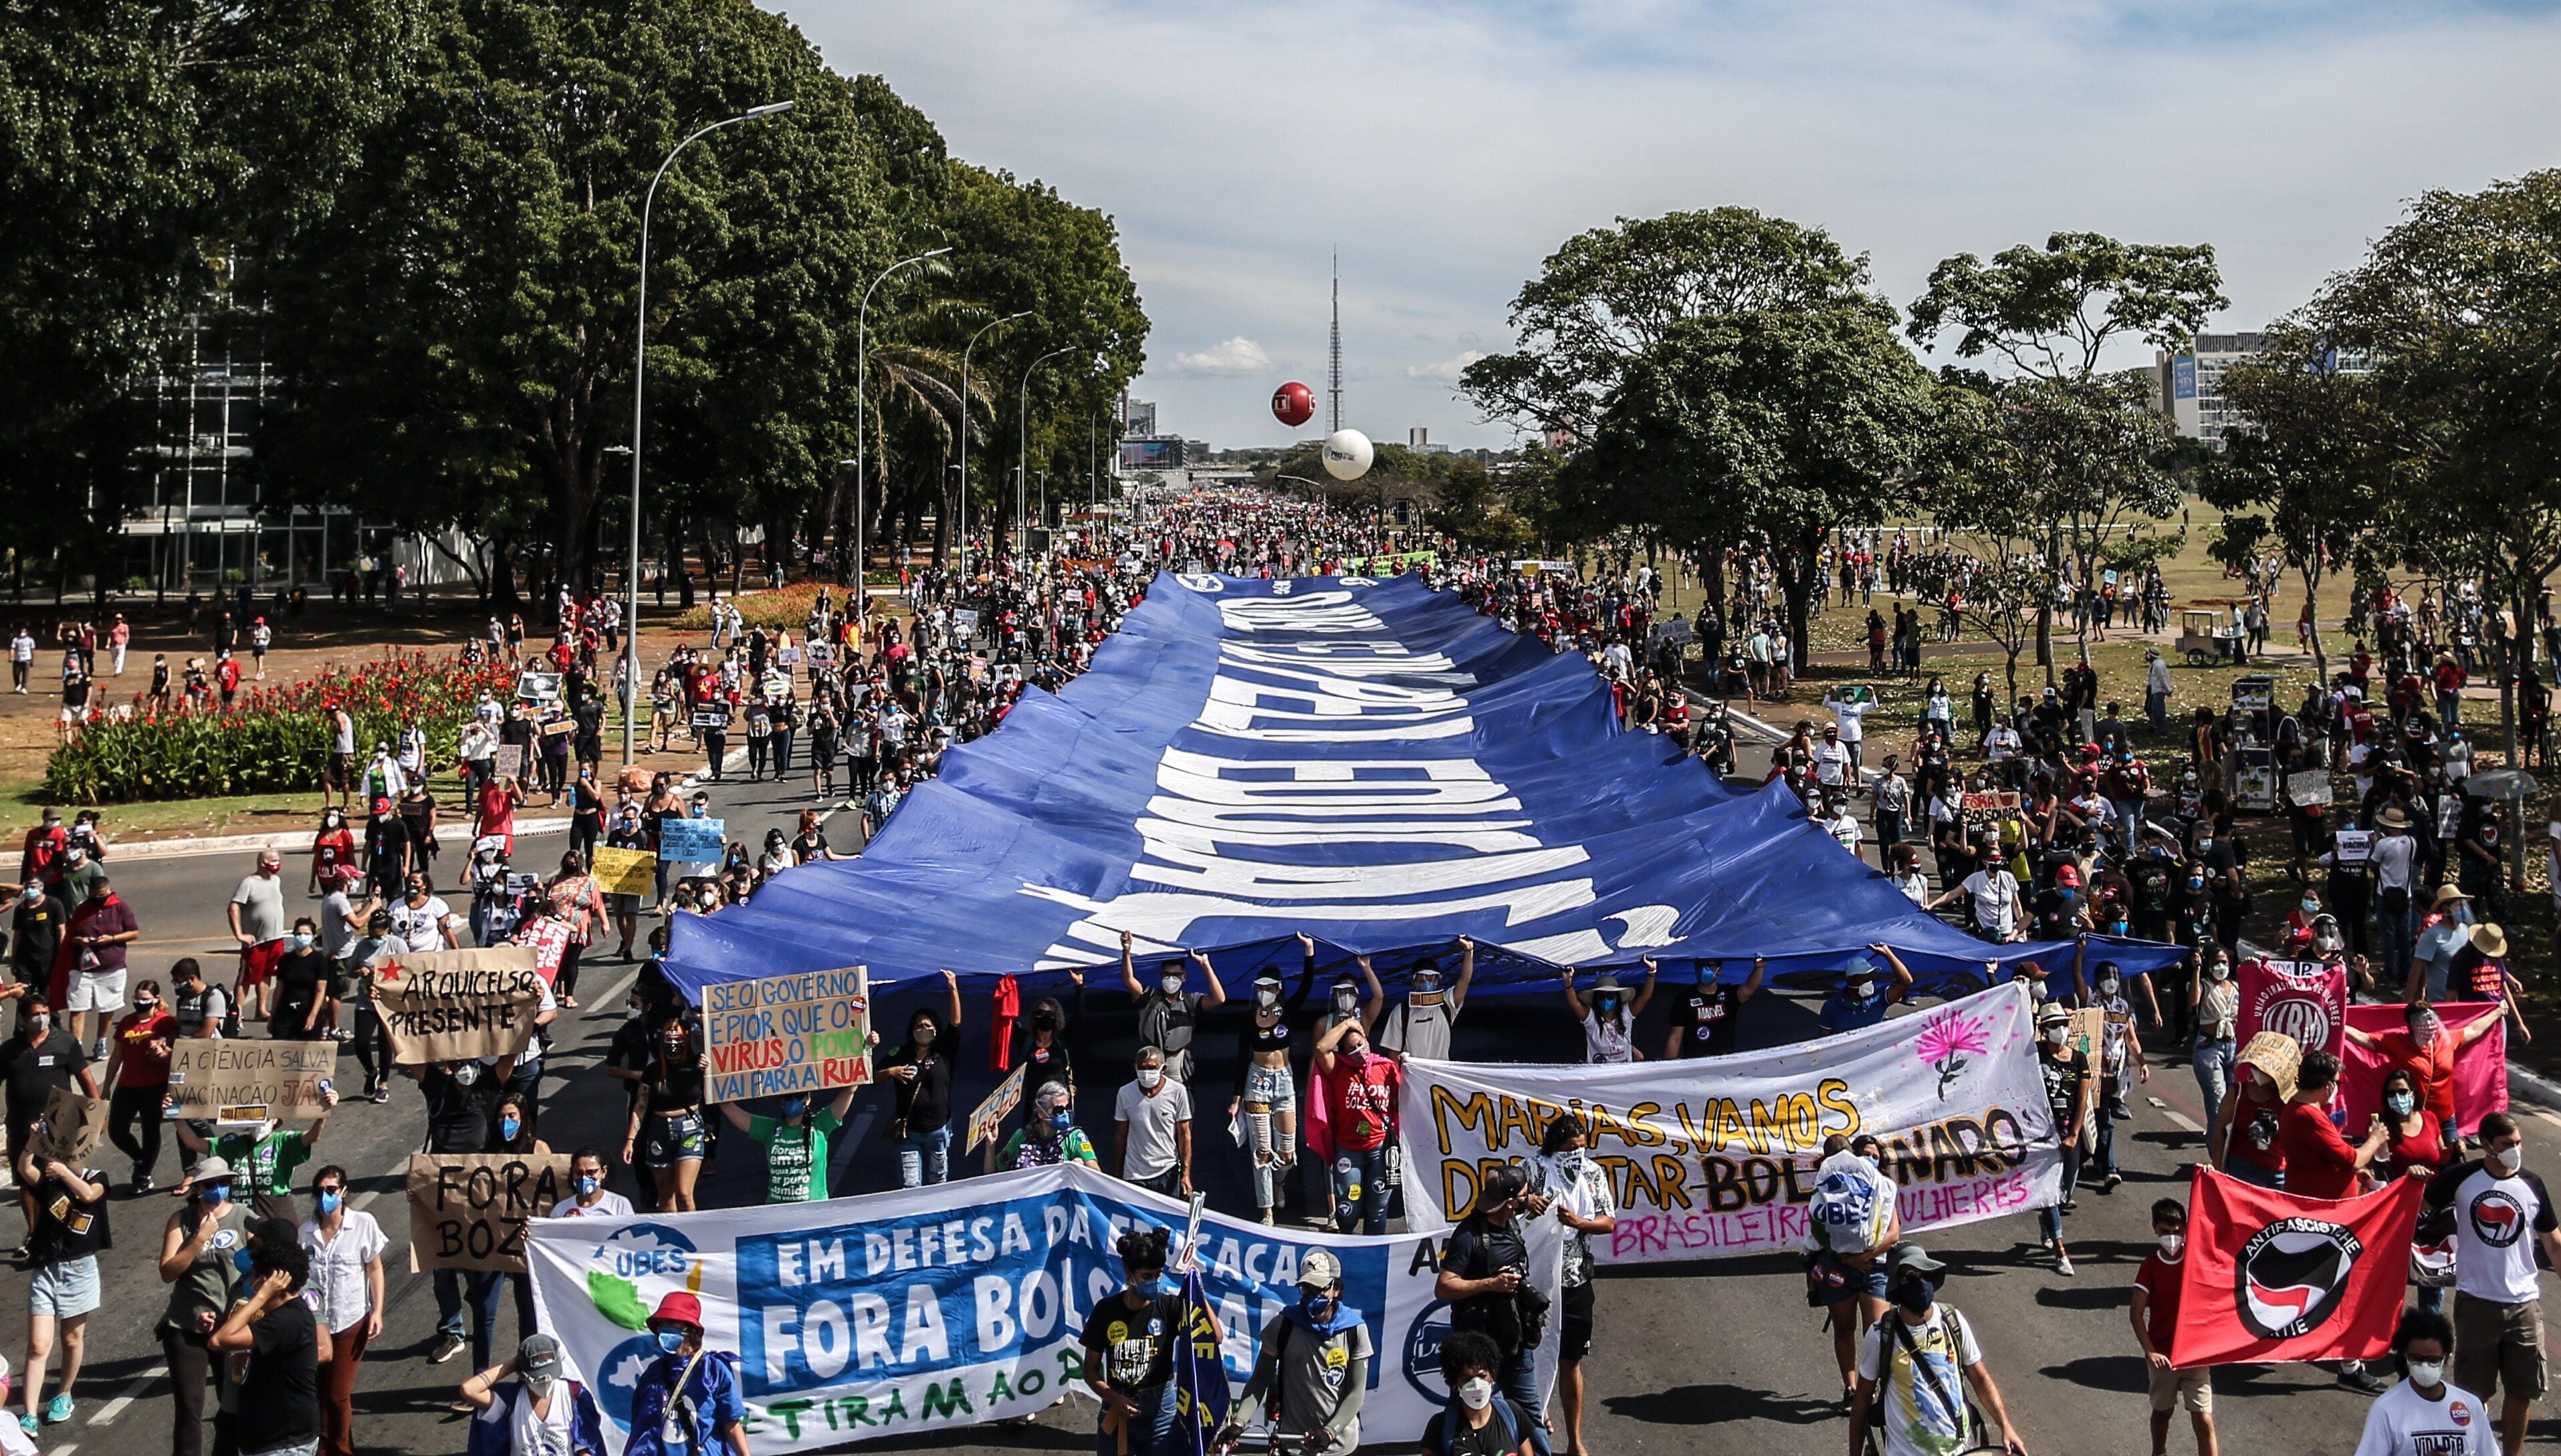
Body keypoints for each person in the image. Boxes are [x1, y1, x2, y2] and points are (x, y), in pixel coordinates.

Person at [2422, 1112, 2561, 1456]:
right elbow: (2412, 1208)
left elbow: (2553, 1243)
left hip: (2525, 1306)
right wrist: (2411, 1179)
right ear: (2486, 1145)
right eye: (2507, 1145)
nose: (2516, 1150)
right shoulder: (2461, 1179)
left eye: (2518, 1143)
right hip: (2477, 1303)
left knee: (2523, 1390)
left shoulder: (2532, 1184)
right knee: (2471, 1395)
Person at [1848, 1243, 2029, 1456]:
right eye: (1910, 1277)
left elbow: (1980, 1379)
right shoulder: (1880, 1336)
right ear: (1897, 1287)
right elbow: (1862, 1400)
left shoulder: (1953, 1321)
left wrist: (2006, 1426)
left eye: (1924, 1274)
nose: (1920, 1283)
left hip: (1960, 1450)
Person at [1436, 1165, 1549, 1456]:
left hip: (1514, 1337)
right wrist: (1491, 1284)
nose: (1529, 1197)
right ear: (1510, 1202)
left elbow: (1528, 1206)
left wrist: (1535, 1203)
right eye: (1525, 1194)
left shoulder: (1510, 1218)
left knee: (1529, 1413)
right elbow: (1444, 1287)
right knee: (1463, 1413)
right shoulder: (1468, 1236)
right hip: (1478, 1348)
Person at [1526, 1114, 1618, 1456]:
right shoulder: (1534, 1169)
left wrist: (1581, 1223)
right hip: (1536, 1281)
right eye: (1570, 1148)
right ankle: (1535, 1420)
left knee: (1570, 1360)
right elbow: (1505, 1200)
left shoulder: (1593, 1174)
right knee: (1532, 1354)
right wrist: (1526, 1203)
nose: (1577, 1154)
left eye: (1582, 1147)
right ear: (1555, 1146)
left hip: (1576, 1281)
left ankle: (1575, 1440)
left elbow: (1608, 1222)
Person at [1219, 1249, 1369, 1456]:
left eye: (1320, 1289)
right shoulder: (1283, 1326)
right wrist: (1239, 1422)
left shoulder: (1354, 1330)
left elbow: (1356, 1392)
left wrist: (1329, 1432)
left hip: (1340, 1446)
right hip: (1293, 1444)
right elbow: (1260, 1379)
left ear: (1336, 1290)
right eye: (1307, 1289)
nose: (1313, 1296)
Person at [158, 1155, 249, 1456]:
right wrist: (199, 1240)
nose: (219, 1189)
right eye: (211, 1184)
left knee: (233, 1407)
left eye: (224, 1183)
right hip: (186, 1326)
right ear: (198, 1189)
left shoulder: (243, 1218)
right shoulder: (180, 1221)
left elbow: (262, 1272)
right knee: (189, 1409)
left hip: (232, 1329)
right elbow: (168, 1272)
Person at [209, 1236, 328, 1456]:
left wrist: (261, 1296)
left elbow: (219, 1341)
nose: (248, 1280)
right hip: (268, 1439)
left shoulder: (286, 1320)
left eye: (252, 1275)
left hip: (282, 1444)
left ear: (266, 1281)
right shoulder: (283, 1315)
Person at [1803, 1135, 1900, 1403]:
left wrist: (1865, 1256)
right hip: (1838, 1270)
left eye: (1876, 1156)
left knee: (1878, 1333)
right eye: (1866, 1154)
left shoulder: (1883, 1186)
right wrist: (1843, 1257)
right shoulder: (1826, 1184)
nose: (1871, 1159)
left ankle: (1877, 1391)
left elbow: (1893, 1234)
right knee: (1844, 1329)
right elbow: (1816, 1227)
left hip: (1874, 1269)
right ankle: (1852, 1389)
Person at [1081, 1226, 1194, 1456]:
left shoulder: (1169, 1307)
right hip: (1117, 1412)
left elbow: (1216, 1337)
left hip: (1163, 1414)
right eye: (1146, 1277)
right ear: (1128, 1272)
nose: (1154, 1282)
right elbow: (1090, 1370)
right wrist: (1113, 1398)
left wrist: (1196, 1288)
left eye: (1158, 1275)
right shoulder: (1106, 1310)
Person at [15, 1145, 104, 1435]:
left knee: (71, 1339)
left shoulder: (98, 1177)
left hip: (80, 1270)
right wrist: (32, 1141)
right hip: (47, 1269)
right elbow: (26, 1171)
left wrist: (65, 1173)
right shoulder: (50, 1183)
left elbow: (90, 1195)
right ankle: (28, 1414)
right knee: (39, 1346)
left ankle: (63, 1394)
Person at [298, 1165, 384, 1456]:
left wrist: (377, 1311)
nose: (326, 1196)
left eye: (331, 1190)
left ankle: (341, 1450)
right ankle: (325, 1449)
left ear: (344, 1191)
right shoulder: (305, 1233)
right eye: (320, 1191)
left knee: (337, 1396)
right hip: (316, 1326)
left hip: (351, 1322)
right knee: (319, 1395)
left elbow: (373, 1268)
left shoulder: (363, 1224)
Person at [1, 996, 96, 1254]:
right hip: (21, 1128)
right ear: (22, 1018)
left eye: (45, 1012)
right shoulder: (9, 1050)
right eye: (35, 1014)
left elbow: (86, 1079)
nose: (41, 1018)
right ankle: (35, 1235)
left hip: (60, 1127)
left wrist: (97, 1116)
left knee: (60, 1179)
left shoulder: (65, 1043)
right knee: (27, 1182)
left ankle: (64, 1231)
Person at [2349, 999, 2494, 1158]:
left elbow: (2474, 1030)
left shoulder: (2447, 1040)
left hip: (2445, 1120)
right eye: (2421, 1020)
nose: (2428, 1024)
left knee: (2454, 1161)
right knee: (2417, 1162)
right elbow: (2363, 1038)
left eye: (2431, 1018)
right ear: (2411, 1025)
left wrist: (2498, 1011)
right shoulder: (2397, 1043)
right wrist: (2336, 1023)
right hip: (2413, 1122)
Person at [2130, 1197, 2216, 1456]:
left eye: (2177, 1231)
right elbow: (2136, 1313)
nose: (2172, 1237)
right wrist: (2150, 1351)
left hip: (2195, 1354)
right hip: (2163, 1356)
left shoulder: (2195, 1259)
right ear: (2155, 1229)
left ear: (2186, 1228)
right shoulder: (2150, 1266)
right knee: (2163, 1412)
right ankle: (2159, 1452)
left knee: (2204, 1421)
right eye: (2165, 1232)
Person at [623, 1291, 746, 1456]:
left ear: (690, 1330)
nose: (665, 1329)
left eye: (672, 1322)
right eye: (662, 1323)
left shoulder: (713, 1370)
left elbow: (731, 1424)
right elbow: (642, 1432)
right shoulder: (652, 1375)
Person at [1313, 1014, 1404, 1235]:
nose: (1358, 1050)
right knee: (1348, 1210)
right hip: (1348, 1151)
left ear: (1367, 1040)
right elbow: (1321, 1049)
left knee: (1377, 1210)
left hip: (1380, 1149)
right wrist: (1348, 1024)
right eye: (1352, 1048)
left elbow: (1401, 1101)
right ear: (1344, 1053)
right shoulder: (1338, 1068)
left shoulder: (1386, 1067)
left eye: (1360, 1044)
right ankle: (1348, 1249)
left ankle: (1373, 1257)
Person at [2354, 1308, 2491, 1455]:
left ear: (2447, 1358)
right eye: (2417, 1359)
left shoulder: (2471, 1405)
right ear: (2405, 1357)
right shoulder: (2386, 1410)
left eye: (2433, 1360)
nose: (2425, 1366)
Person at [879, 971, 962, 1188]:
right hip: (909, 1133)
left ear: (935, 1029)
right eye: (918, 1026)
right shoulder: (900, 1053)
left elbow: (955, 1023)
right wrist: (891, 1072)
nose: (922, 1029)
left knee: (938, 1182)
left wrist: (953, 988)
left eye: (927, 1026)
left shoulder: (944, 1050)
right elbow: (871, 1077)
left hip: (938, 1130)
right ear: (911, 1030)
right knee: (910, 1185)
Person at [460, 1332, 604, 1456]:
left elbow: (586, 1444)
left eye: (548, 1377)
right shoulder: (510, 1401)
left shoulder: (573, 1395)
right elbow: (469, 1390)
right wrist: (511, 1365)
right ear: (522, 1375)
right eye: (537, 1379)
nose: (544, 1384)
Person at [717, 1081, 858, 1204]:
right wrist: (709, 1072)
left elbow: (850, 1090)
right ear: (781, 1101)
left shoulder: (821, 1124)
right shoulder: (768, 1129)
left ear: (808, 1099)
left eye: (799, 1096)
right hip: (777, 1212)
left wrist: (863, 1055)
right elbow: (728, 1108)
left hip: (815, 1212)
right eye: (788, 1097)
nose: (793, 1101)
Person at [623, 1011, 707, 1212]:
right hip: (659, 1132)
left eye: (678, 1039)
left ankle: (694, 1235)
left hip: (690, 1130)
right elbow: (640, 1106)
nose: (673, 1044)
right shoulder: (653, 1071)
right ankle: (672, 1237)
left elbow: (720, 1050)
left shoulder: (698, 1065)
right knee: (666, 1194)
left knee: (684, 1193)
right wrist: (630, 1140)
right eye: (668, 1039)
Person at [1120, 931, 1226, 1084]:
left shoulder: (1191, 1000)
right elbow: (1129, 980)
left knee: (1183, 1103)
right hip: (1151, 1063)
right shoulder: (1150, 997)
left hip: (1179, 1064)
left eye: (1176, 975)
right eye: (1167, 974)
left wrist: (1205, 966)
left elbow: (1219, 999)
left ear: (1184, 977)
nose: (1171, 979)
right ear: (1161, 976)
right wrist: (1126, 951)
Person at [103, 977, 175, 1193]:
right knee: (116, 1131)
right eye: (137, 999)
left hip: (155, 1085)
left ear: (156, 1000)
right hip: (127, 1085)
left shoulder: (166, 1022)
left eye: (145, 999)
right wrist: (106, 1086)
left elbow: (176, 1053)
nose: (140, 1002)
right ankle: (141, 1158)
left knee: (150, 1130)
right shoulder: (126, 1022)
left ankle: (144, 1173)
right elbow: (117, 1056)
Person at [2033, 1001, 2088, 1275]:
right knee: (2050, 1192)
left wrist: (2075, 1134)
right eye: (2053, 1026)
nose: (2060, 1030)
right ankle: (2060, 1251)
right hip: (2042, 1132)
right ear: (2043, 1030)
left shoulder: (2079, 1059)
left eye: (2063, 1025)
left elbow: (2082, 1098)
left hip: (2070, 1132)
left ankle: (2047, 1219)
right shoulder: (2035, 1055)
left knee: (2066, 1190)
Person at [1420, 1330, 1538, 1456]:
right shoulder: (1440, 1427)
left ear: (1492, 1376)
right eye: (1467, 1379)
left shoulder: (1512, 1414)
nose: (1476, 1385)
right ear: (1455, 1383)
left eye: (1482, 1376)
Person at [2211, 1031, 2300, 1192]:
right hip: (2243, 1170)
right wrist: (2218, 1169)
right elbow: (2219, 1130)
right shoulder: (2236, 1093)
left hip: (2278, 1175)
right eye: (2256, 1067)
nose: (2259, 1071)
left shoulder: (2287, 1099)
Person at [61, 874, 137, 1061]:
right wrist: (81, 940)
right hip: (84, 968)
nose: (100, 898)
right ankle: (76, 1046)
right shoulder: (82, 910)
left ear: (109, 891)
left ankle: (100, 1042)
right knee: (78, 1008)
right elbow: (71, 937)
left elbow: (134, 932)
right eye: (96, 895)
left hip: (111, 967)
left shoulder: (120, 907)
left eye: (103, 895)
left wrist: (112, 939)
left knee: (107, 1007)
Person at [1377, 936, 1475, 1062]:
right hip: (1414, 1076)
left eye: (1430, 979)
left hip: (1442, 1075)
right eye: (1421, 980)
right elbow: (1393, 1052)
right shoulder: (1402, 1011)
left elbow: (1465, 980)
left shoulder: (1447, 1003)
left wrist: (1468, 951)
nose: (1426, 983)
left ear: (1437, 980)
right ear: (1414, 982)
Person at [1112, 1046, 1194, 1199]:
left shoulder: (1178, 1091)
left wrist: (1186, 1174)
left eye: (1152, 1068)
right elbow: (1121, 1136)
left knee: (1169, 1221)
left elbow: (1185, 1135)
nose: (1146, 1073)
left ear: (1163, 1068)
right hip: (1135, 1173)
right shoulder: (1125, 1093)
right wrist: (1117, 1174)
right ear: (1135, 1068)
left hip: (1167, 1172)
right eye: (1142, 1068)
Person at [228, 852, 291, 1021]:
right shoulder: (248, 883)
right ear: (263, 863)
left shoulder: (276, 881)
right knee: (247, 977)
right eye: (274, 861)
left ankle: (261, 1009)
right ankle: (237, 1012)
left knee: (267, 974)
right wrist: (240, 935)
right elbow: (234, 907)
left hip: (276, 938)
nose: (277, 864)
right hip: (256, 941)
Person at [1663, 957, 1766, 1058]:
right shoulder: (1684, 999)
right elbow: (1675, 1037)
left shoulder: (1728, 994)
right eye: (1700, 965)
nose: (1704, 969)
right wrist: (1668, 1068)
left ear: (1719, 970)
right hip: (1696, 1063)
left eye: (1710, 965)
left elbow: (1749, 988)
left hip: (1725, 1061)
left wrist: (1759, 968)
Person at [1564, 965, 1654, 1064]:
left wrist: (1652, 972)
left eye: (1610, 996)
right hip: (1598, 1074)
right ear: (1596, 999)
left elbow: (1645, 997)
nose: (1606, 1000)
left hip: (1624, 1073)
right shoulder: (1591, 1018)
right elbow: (1575, 1004)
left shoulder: (1626, 1014)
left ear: (1617, 998)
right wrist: (1568, 983)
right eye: (1601, 997)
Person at [1000, 1082, 1099, 1169]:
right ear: (1041, 1113)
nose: (1065, 1114)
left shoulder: (1075, 1136)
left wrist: (1081, 1170)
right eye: (1058, 1110)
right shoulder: (1023, 1136)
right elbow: (993, 1175)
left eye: (1067, 1108)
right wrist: (990, 1145)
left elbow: (1096, 1173)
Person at [1815, 948, 1913, 1036]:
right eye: (1865, 980)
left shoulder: (1879, 999)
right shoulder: (1831, 1006)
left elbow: (1905, 982)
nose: (1870, 983)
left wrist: (1888, 954)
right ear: (1851, 981)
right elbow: (1825, 1042)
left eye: (1871, 979)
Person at [550, 1147, 635, 1219]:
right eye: (579, 1173)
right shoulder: (560, 1210)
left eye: (591, 1173)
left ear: (603, 1172)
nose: (584, 1178)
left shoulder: (619, 1205)